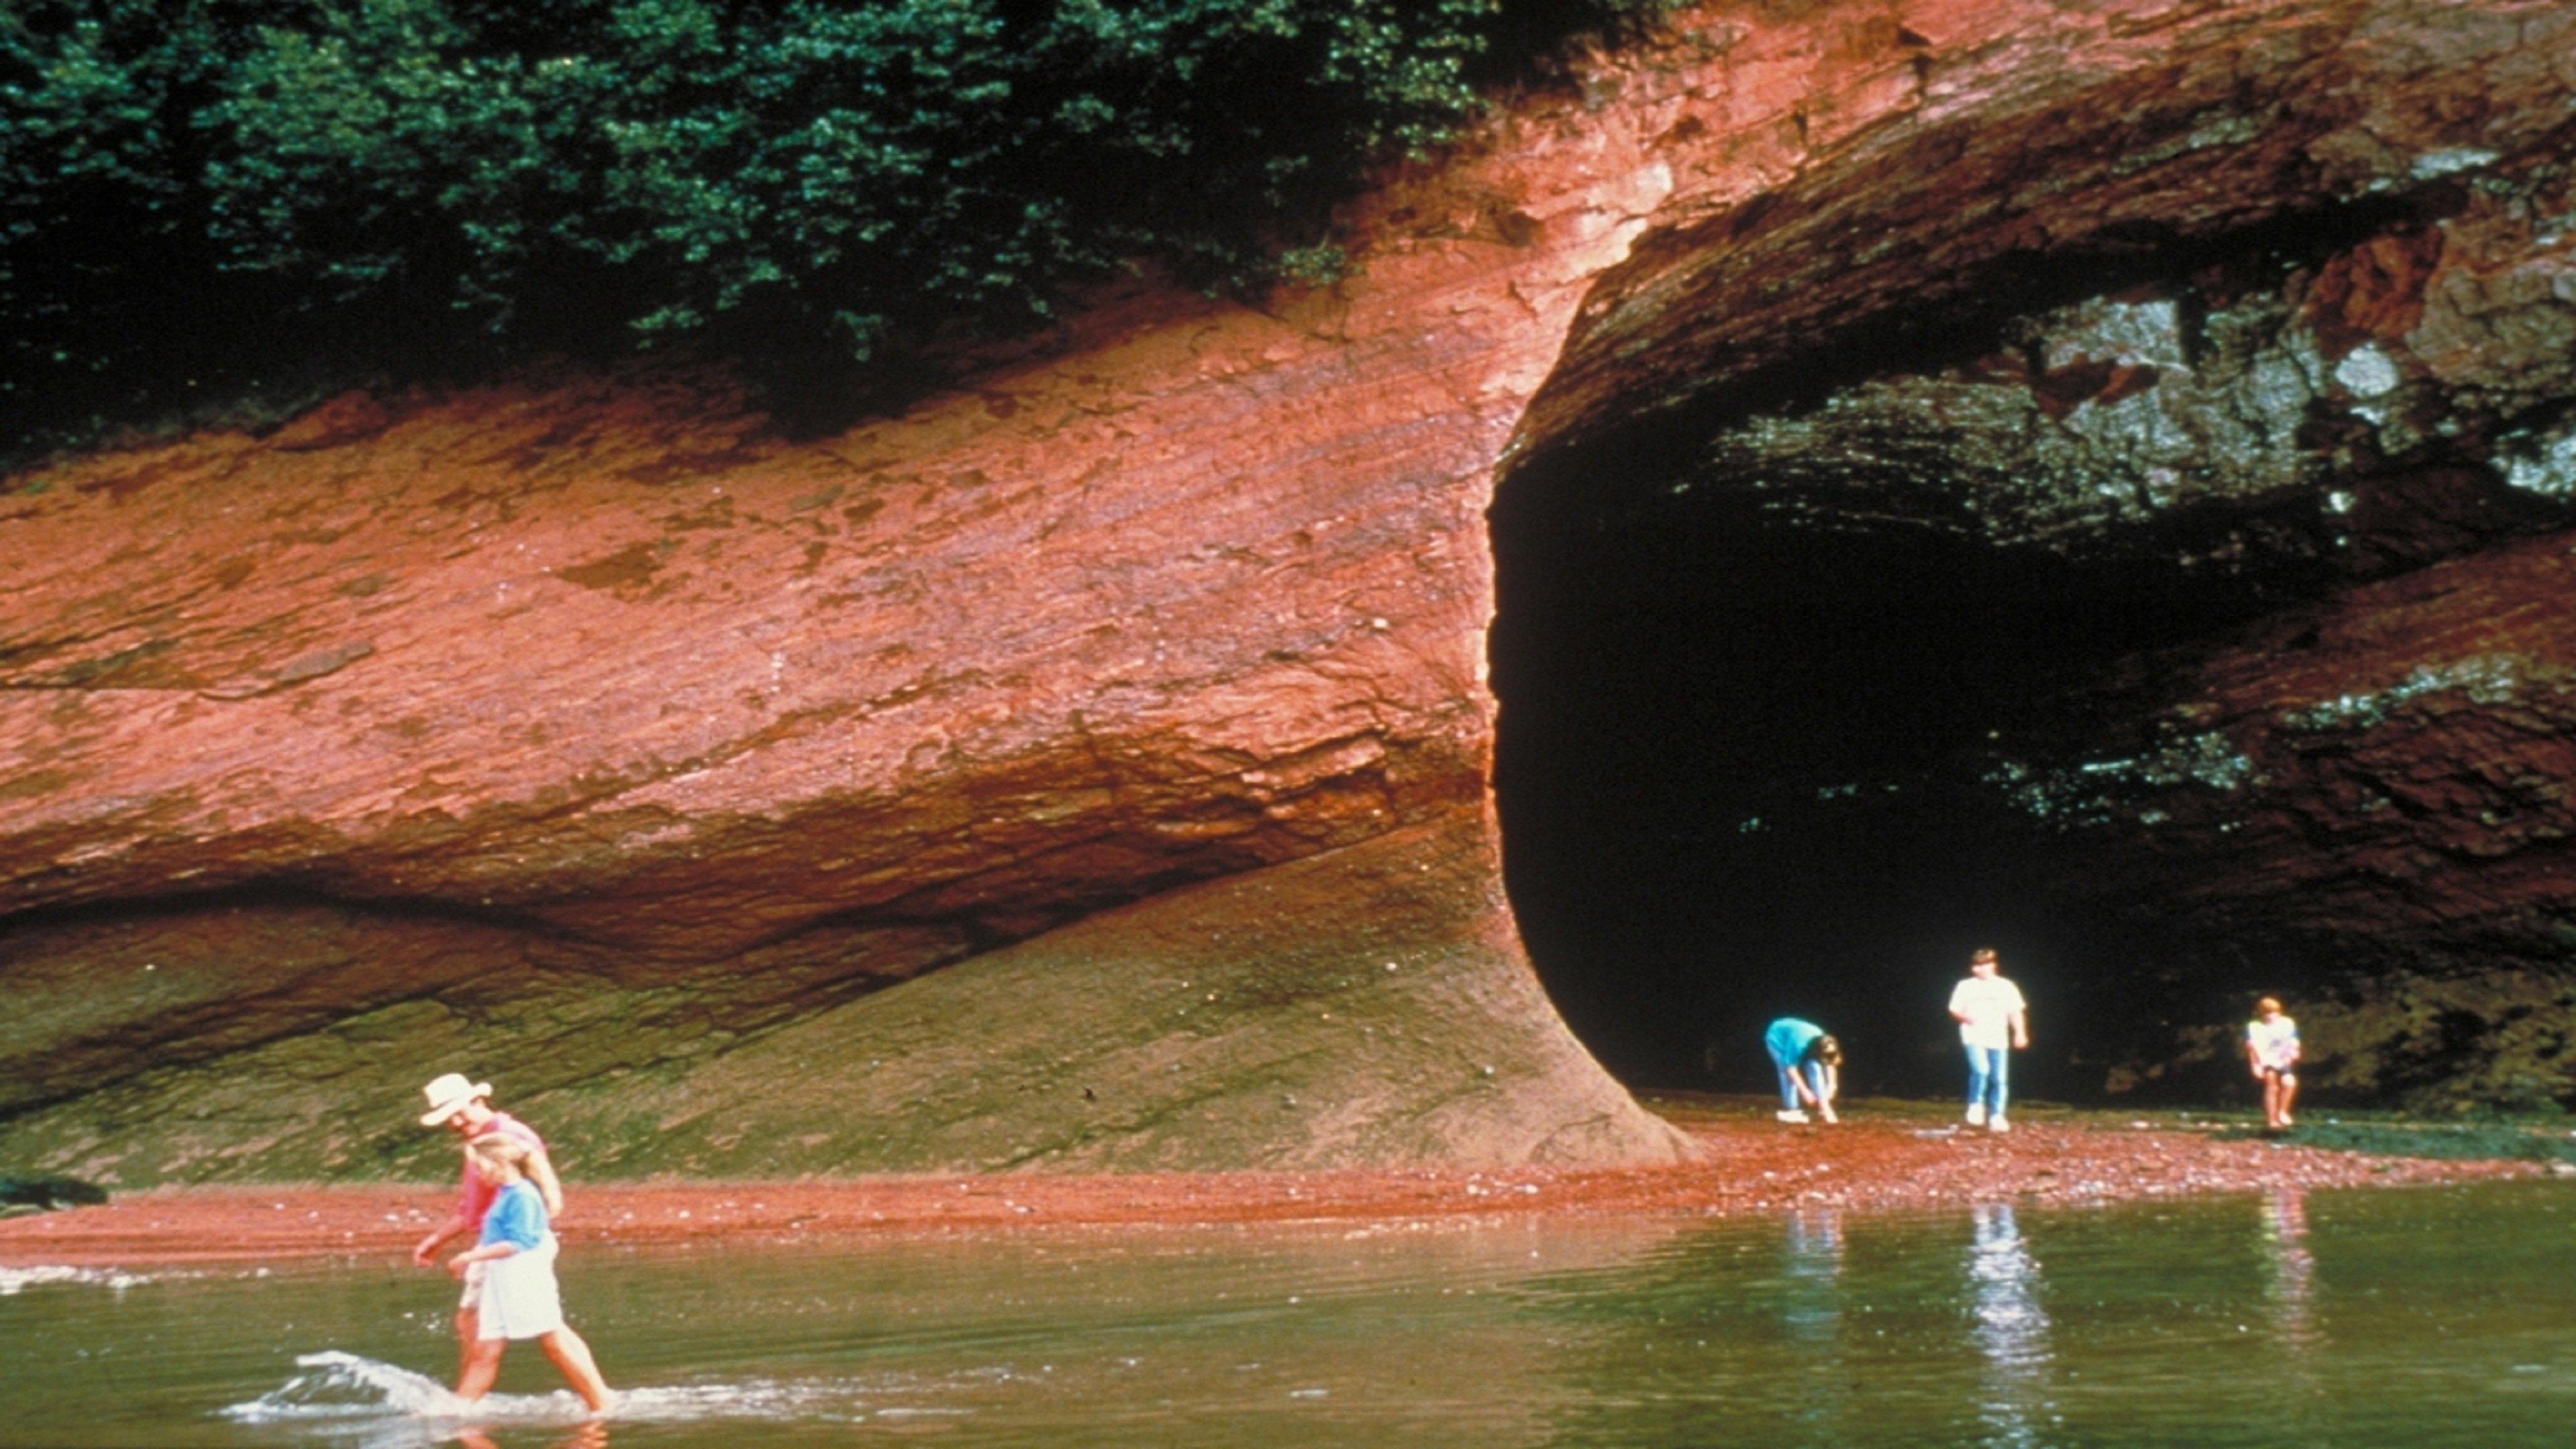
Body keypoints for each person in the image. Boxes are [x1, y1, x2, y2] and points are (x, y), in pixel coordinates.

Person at [410, 1073, 565, 1379]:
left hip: (514, 1246)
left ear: (479, 1101)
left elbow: (533, 1198)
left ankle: (463, 1406)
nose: (454, 1123)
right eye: (448, 1118)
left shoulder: (508, 1139)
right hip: (496, 1243)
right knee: (472, 1322)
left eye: (459, 1112)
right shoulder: (480, 1143)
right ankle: (466, 1401)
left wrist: (484, 1254)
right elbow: (474, 1209)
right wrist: (438, 1239)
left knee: (548, 1335)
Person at [447, 1134, 612, 1412]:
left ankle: (601, 1406)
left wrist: (470, 1256)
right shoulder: (509, 1193)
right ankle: (456, 1412)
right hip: (502, 1277)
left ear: (499, 1162)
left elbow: (520, 1243)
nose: (477, 1173)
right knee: (487, 1349)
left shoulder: (523, 1195)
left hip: (523, 1275)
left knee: (553, 1341)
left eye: (480, 1166)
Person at [1947, 948, 2028, 1132]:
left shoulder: (2006, 986)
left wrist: (2020, 1033)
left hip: (1998, 1037)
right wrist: (1964, 1018)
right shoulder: (1965, 986)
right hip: (1974, 1035)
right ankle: (1976, 1105)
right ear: (1973, 968)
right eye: (1978, 965)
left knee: (2000, 1078)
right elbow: (1954, 1009)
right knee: (1981, 1069)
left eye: (1986, 965)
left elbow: (2015, 1012)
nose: (1982, 969)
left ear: (1994, 965)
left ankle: (1997, 1116)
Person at [1763, 1017, 1842, 1124]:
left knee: (1815, 1068)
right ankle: (1792, 1110)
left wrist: (1832, 1085)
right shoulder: (1799, 1044)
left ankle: (1825, 1108)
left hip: (1804, 1039)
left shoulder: (1825, 1042)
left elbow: (1830, 1063)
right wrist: (1805, 1092)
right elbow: (1790, 1069)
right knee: (1784, 1069)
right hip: (1777, 1038)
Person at [2246, 996, 2302, 1130]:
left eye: (2274, 1012)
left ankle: (2282, 1111)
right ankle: (2272, 1119)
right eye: (2268, 1013)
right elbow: (2252, 1047)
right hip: (2265, 1059)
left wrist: (2294, 1051)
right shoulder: (2255, 1027)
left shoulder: (2287, 1023)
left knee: (2290, 1083)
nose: (2271, 1016)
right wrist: (2255, 1065)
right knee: (2272, 1086)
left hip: (2282, 1058)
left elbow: (2294, 1040)